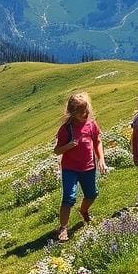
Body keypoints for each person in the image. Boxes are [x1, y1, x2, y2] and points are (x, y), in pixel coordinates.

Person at [53, 91, 107, 242]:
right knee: (69, 198)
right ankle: (63, 229)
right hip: (70, 168)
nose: (85, 114)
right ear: (72, 112)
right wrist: (69, 146)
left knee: (92, 194)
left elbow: (97, 141)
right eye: (81, 112)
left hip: (89, 167)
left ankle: (83, 211)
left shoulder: (91, 124)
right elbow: (57, 151)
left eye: (86, 111)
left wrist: (101, 159)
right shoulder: (66, 129)